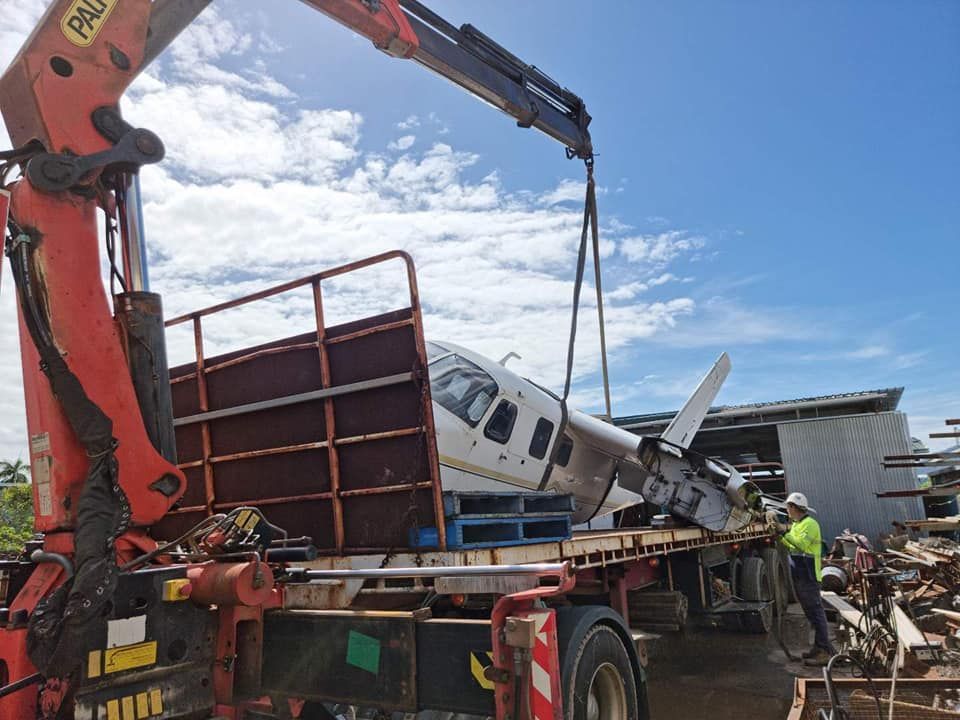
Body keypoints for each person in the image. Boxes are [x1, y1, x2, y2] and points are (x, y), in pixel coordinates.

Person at [768, 492, 836, 666]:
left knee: (816, 612)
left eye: (788, 507)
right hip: (799, 573)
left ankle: (826, 651)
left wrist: (783, 530)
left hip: (809, 574)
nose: (787, 510)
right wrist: (780, 536)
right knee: (810, 613)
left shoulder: (810, 524)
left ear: (794, 507)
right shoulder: (797, 525)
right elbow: (792, 545)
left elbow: (802, 544)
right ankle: (819, 647)